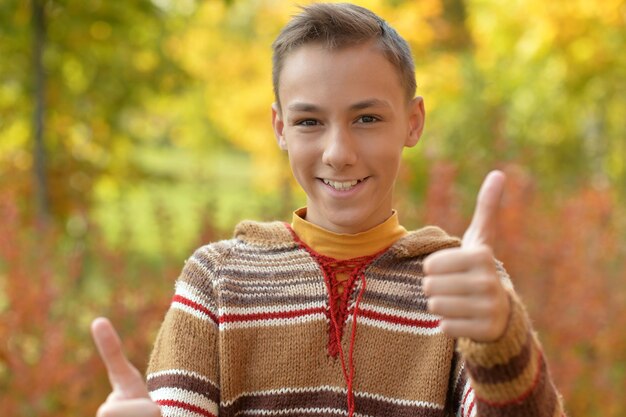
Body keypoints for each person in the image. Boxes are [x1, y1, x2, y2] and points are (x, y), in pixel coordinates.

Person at [91, 3, 566, 417]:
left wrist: (500, 339)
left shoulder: (466, 288)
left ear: (413, 121)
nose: (338, 152)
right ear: (280, 128)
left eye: (367, 118)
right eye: (309, 121)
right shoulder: (216, 283)